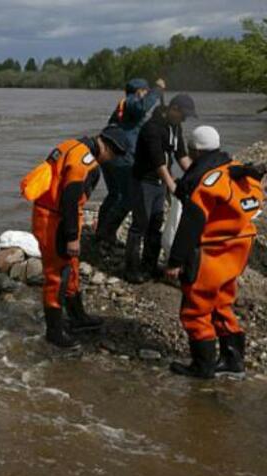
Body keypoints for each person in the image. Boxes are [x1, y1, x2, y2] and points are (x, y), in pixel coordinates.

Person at [166, 126, 264, 378]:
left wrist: (175, 261)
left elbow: (191, 223)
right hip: (239, 249)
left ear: (195, 151)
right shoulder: (240, 172)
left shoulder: (208, 181)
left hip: (212, 251)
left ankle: (203, 366)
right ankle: (233, 361)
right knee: (222, 301)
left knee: (196, 308)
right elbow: (254, 207)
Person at [30, 126, 128, 348]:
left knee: (71, 268)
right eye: (113, 156)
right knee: (57, 275)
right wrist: (72, 236)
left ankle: (78, 317)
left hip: (52, 215)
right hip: (54, 221)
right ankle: (54, 332)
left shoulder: (71, 145)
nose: (111, 161)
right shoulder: (84, 160)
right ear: (106, 147)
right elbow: (70, 199)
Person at [124, 94, 195, 284]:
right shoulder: (151, 128)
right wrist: (173, 186)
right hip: (144, 182)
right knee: (140, 224)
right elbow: (158, 162)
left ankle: (149, 265)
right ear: (174, 109)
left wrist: (199, 175)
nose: (185, 119)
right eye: (184, 115)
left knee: (156, 223)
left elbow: (181, 156)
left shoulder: (175, 127)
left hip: (159, 183)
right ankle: (130, 268)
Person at [96, 78, 165, 246]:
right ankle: (108, 232)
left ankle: (101, 230)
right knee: (128, 197)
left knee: (114, 194)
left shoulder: (122, 107)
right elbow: (142, 108)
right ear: (139, 91)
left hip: (107, 155)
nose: (147, 95)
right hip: (121, 157)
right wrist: (157, 90)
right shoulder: (132, 102)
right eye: (146, 92)